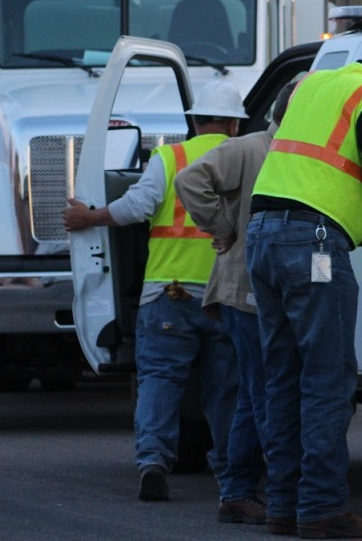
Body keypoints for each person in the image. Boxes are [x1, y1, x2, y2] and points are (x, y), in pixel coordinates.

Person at [245, 44, 362, 539]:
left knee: (282, 376)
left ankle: (284, 506)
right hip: (314, 244)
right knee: (327, 378)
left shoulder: (312, 84)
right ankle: (322, 508)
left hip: (262, 235)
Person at [62, 80, 247, 502]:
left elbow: (135, 208)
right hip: (228, 295)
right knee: (227, 388)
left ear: (195, 121)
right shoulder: (249, 157)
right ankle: (232, 472)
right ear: (235, 126)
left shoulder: (172, 157)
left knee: (161, 381)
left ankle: (153, 464)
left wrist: (91, 217)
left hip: (171, 293)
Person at [174, 82, 297, 526]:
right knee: (265, 391)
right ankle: (271, 491)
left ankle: (237, 491)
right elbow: (188, 179)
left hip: (257, 293)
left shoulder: (284, 150)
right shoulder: (250, 148)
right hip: (244, 293)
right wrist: (224, 227)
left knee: (252, 392)